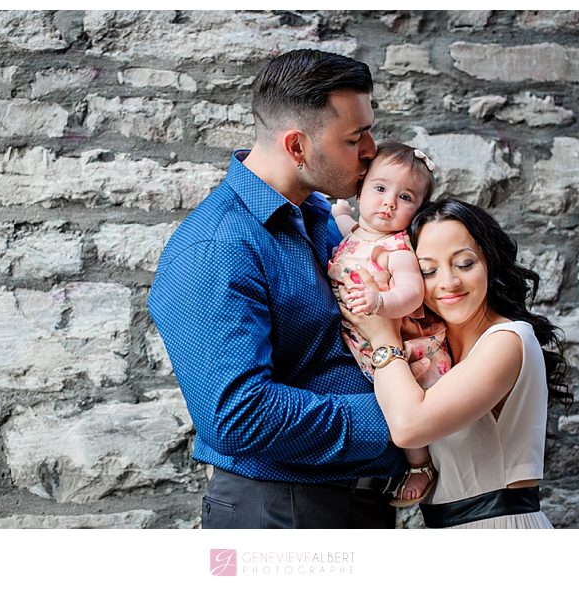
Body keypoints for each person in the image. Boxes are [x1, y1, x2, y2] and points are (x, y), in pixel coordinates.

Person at [147, 49, 409, 529]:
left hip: (348, 507)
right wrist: (400, 415)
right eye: (355, 138)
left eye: (369, 130)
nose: (373, 149)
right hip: (281, 514)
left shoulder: (321, 221)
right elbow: (238, 416)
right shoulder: (217, 245)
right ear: (297, 147)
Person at [340, 198, 571, 528]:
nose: (447, 282)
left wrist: (382, 337)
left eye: (464, 264)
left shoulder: (508, 340)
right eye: (428, 271)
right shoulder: (431, 352)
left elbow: (408, 426)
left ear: (489, 263)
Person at [327, 142, 452, 506]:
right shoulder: (354, 236)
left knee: (400, 406)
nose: (389, 203)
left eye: (406, 197)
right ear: (360, 188)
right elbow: (351, 230)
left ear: (417, 210)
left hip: (400, 346)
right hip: (362, 342)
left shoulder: (396, 249)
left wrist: (382, 301)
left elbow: (412, 293)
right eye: (380, 189)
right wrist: (339, 213)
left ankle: (419, 464)